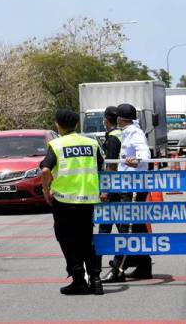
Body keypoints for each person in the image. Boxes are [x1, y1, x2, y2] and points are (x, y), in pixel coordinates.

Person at [40, 108, 104, 295]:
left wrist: (46, 191)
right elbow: (100, 166)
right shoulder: (91, 143)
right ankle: (96, 279)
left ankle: (78, 279)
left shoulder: (56, 144)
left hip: (64, 201)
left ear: (57, 125)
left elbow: (45, 171)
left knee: (67, 240)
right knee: (87, 240)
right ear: (76, 124)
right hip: (87, 199)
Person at [102, 103, 153, 282]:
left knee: (127, 226)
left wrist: (137, 161)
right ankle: (144, 265)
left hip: (133, 186)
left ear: (119, 119)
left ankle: (118, 269)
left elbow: (145, 154)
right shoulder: (128, 131)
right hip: (127, 185)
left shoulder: (134, 133)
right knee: (137, 226)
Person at [95, 106, 128, 282]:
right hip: (123, 188)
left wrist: (106, 189)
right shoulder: (123, 134)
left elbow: (112, 166)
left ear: (107, 120)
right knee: (125, 227)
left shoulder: (114, 138)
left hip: (115, 190)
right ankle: (138, 263)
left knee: (107, 228)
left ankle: (113, 269)